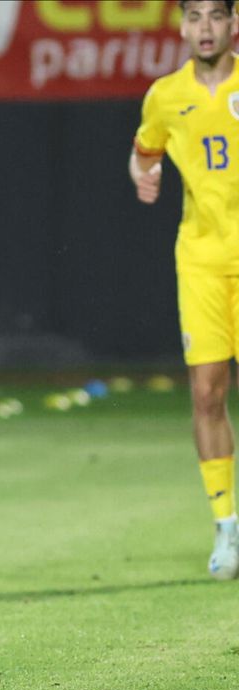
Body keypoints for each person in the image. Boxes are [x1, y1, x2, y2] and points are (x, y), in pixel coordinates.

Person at [129, 0, 238, 580]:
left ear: (234, 22)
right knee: (206, 393)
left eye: (215, 16)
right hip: (201, 261)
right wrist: (143, 176)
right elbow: (143, 153)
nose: (204, 28)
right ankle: (227, 526)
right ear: (181, 25)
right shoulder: (166, 95)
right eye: (194, 17)